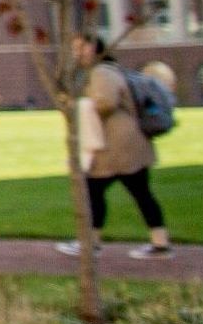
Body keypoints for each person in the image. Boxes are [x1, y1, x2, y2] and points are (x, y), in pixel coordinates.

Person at [57, 34, 173, 260]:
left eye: (80, 47)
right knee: (140, 193)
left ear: (92, 47)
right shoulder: (110, 69)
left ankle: (91, 243)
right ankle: (160, 243)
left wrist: (76, 104)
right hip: (128, 146)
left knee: (94, 192)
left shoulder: (102, 72)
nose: (76, 53)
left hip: (115, 147)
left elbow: (106, 102)